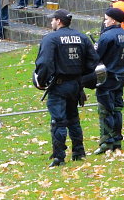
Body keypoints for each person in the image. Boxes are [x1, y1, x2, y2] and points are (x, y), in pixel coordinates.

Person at [33, 9, 98, 167]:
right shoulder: (82, 37)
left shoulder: (51, 39)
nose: (51, 23)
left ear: (59, 21)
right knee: (74, 119)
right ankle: (78, 151)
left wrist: (40, 81)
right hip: (76, 85)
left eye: (53, 20)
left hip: (59, 85)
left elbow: (44, 63)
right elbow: (93, 61)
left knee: (58, 121)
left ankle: (59, 156)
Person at [93, 8, 124, 154]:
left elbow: (95, 56)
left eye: (106, 19)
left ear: (113, 20)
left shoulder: (107, 36)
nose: (105, 21)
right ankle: (117, 140)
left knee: (105, 110)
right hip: (120, 75)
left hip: (107, 77)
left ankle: (106, 142)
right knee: (117, 109)